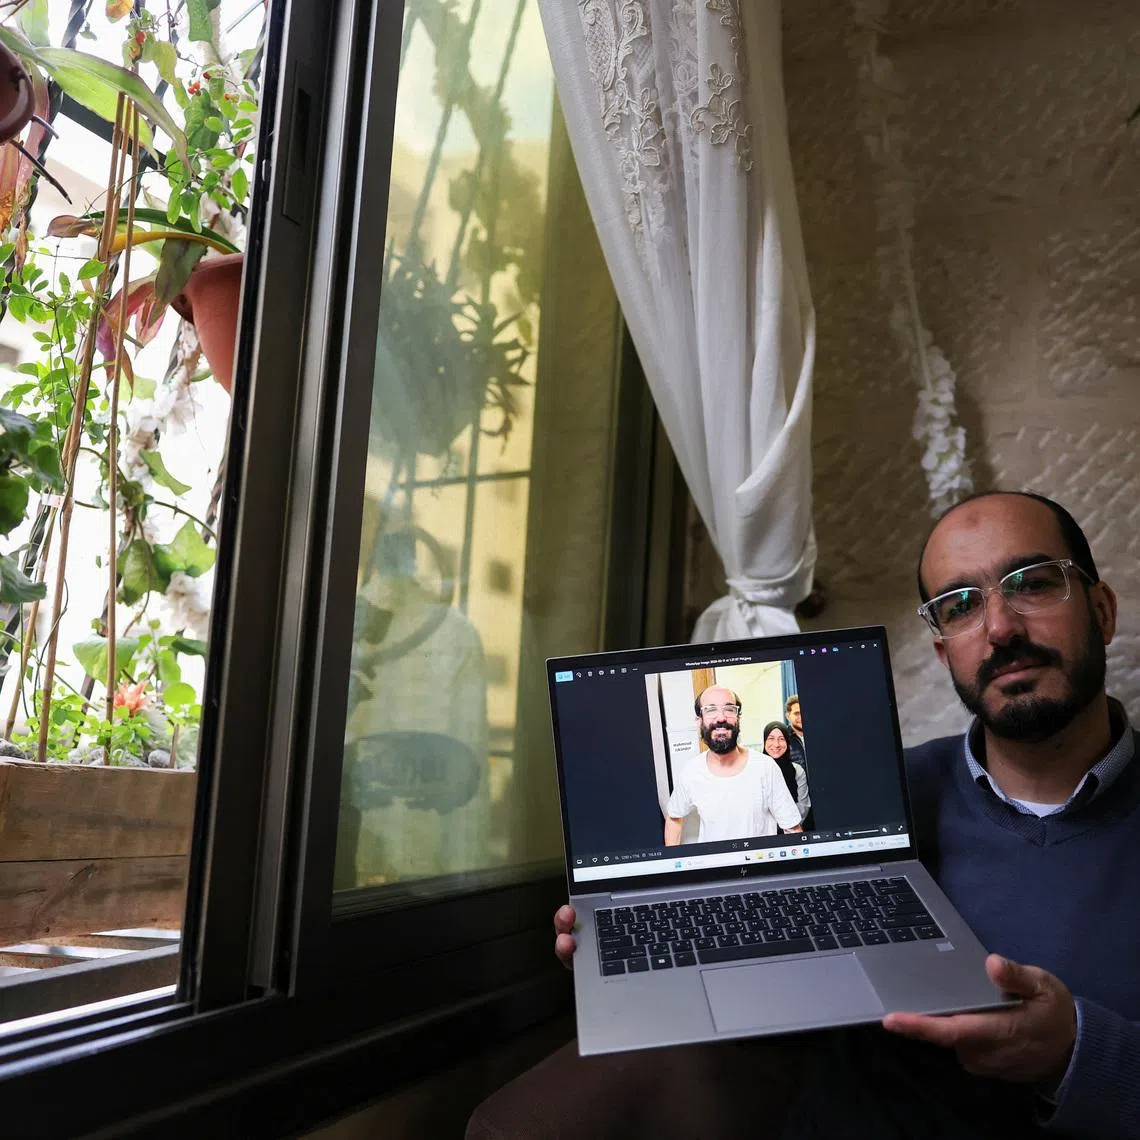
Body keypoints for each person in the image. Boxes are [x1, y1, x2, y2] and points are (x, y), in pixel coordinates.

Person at [553, 491, 1140, 1138]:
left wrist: (1075, 1054)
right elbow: (791, 1024)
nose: (1000, 627)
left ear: (1102, 610)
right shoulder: (890, 793)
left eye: (1031, 583)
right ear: (945, 652)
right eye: (961, 606)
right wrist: (662, 949)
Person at [663, 684, 803, 845]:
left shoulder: (765, 767)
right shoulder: (691, 771)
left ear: (738, 718)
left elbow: (792, 829)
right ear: (699, 721)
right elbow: (674, 818)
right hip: (713, 867)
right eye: (710, 709)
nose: (721, 717)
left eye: (729, 709)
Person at [760, 720, 810, 823]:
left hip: (793, 828)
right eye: (771, 739)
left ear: (787, 742)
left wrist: (788, 825)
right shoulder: (757, 770)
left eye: (781, 739)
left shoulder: (797, 770)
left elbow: (803, 806)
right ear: (764, 741)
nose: (776, 744)